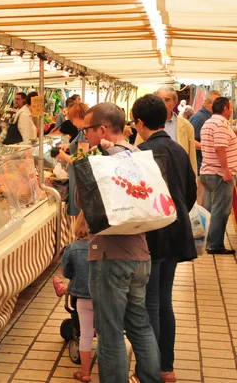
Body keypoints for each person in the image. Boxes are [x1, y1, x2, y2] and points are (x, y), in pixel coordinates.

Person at [80, 102, 160, 383]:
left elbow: (88, 207)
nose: (84, 136)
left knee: (110, 329)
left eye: (87, 130)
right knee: (139, 322)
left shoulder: (103, 160)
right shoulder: (135, 152)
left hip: (110, 256)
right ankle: (151, 378)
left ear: (102, 129)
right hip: (140, 253)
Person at [132, 94, 197, 383]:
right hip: (176, 233)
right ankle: (166, 367)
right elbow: (191, 192)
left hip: (152, 236)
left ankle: (151, 369)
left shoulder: (141, 153)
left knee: (150, 303)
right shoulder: (179, 149)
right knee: (164, 301)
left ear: (140, 122)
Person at [52, 212, 94, 383]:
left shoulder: (72, 248)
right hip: (104, 296)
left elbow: (67, 272)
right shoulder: (107, 246)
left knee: (85, 334)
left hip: (82, 297)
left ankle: (85, 373)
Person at [200, 96, 237, 254]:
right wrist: (226, 170)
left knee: (209, 209)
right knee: (220, 210)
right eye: (231, 107)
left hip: (208, 171)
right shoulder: (221, 124)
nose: (232, 110)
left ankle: (207, 239)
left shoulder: (209, 122)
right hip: (219, 173)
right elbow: (220, 148)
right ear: (225, 109)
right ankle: (215, 244)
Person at [137, 86, 197, 175]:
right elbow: (138, 150)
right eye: (159, 100)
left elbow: (192, 156)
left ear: (175, 102)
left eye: (167, 100)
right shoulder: (147, 123)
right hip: (154, 173)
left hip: (178, 173)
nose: (163, 104)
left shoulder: (186, 125)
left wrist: (194, 179)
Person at [190, 90, 222, 204]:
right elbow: (191, 141)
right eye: (216, 102)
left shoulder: (210, 117)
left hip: (207, 167)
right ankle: (199, 221)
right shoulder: (200, 118)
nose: (220, 104)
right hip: (201, 167)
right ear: (208, 103)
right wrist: (209, 146)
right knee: (202, 200)